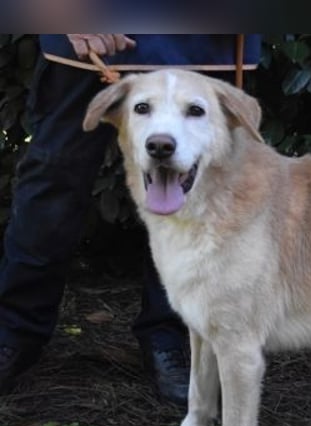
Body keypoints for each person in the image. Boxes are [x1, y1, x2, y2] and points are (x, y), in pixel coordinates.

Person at [0, 34, 262, 403]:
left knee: (193, 190)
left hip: (204, 43)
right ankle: (14, 332)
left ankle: (169, 338)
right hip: (89, 32)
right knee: (53, 181)